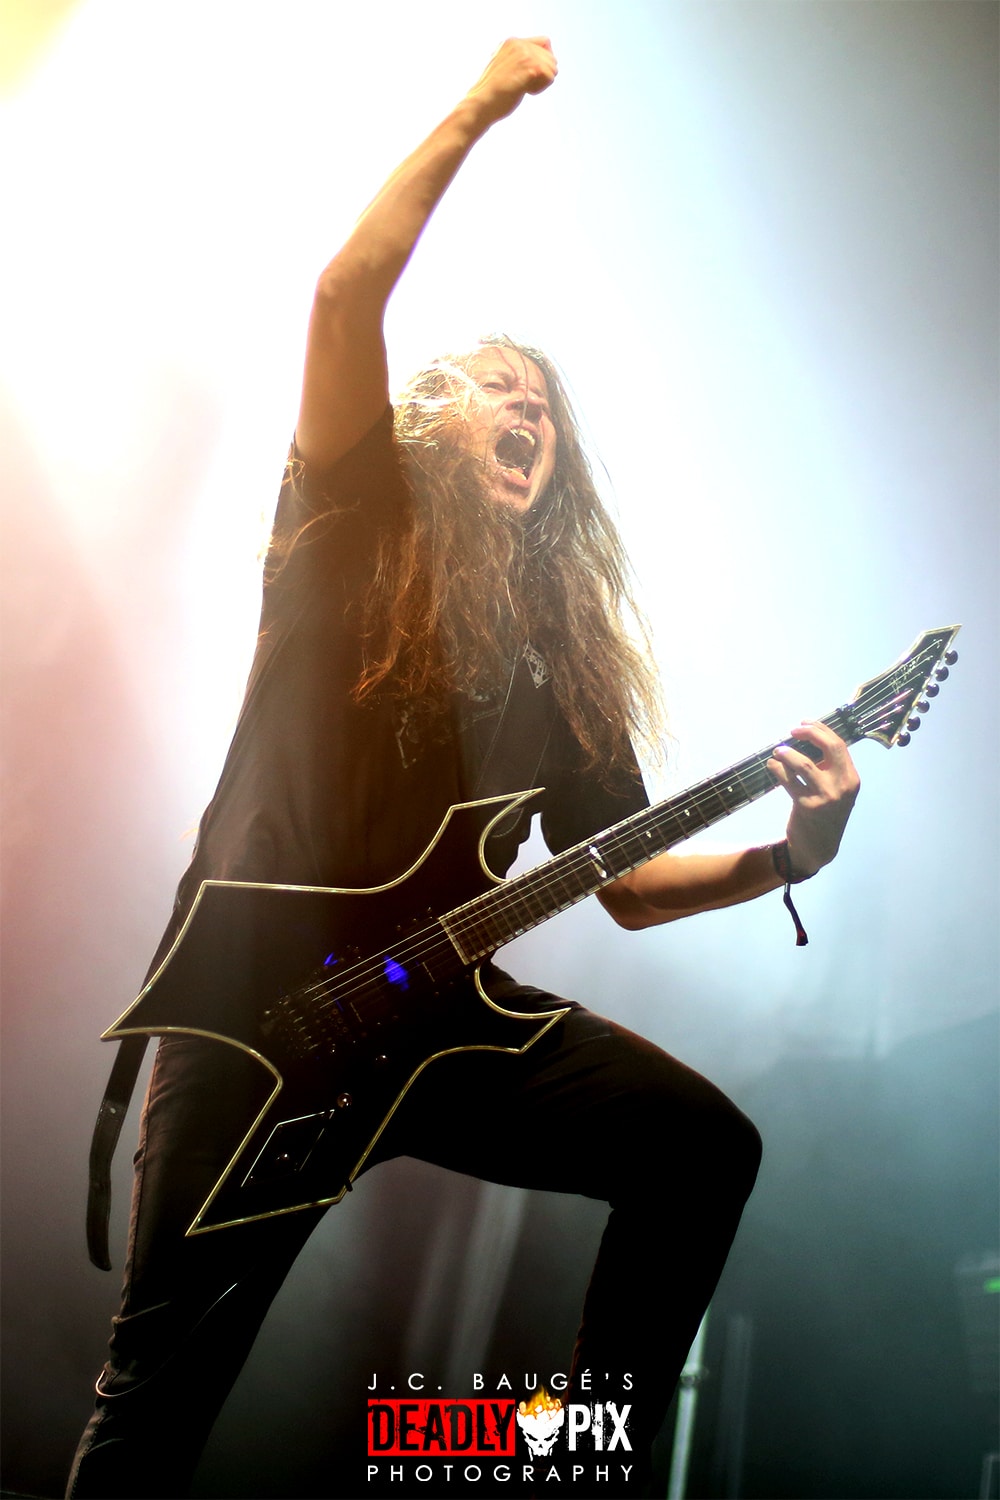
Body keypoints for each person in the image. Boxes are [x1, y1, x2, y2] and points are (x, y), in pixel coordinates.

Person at [67, 37, 859, 1499]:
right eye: (501, 389)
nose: (530, 414)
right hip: (257, 1017)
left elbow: (628, 882)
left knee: (702, 1152)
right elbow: (344, 292)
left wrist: (790, 855)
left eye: (546, 408)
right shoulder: (353, 520)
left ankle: (562, 1464)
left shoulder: (558, 674)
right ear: (439, 419)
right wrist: (486, 102)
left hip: (435, 1023)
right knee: (153, 1413)